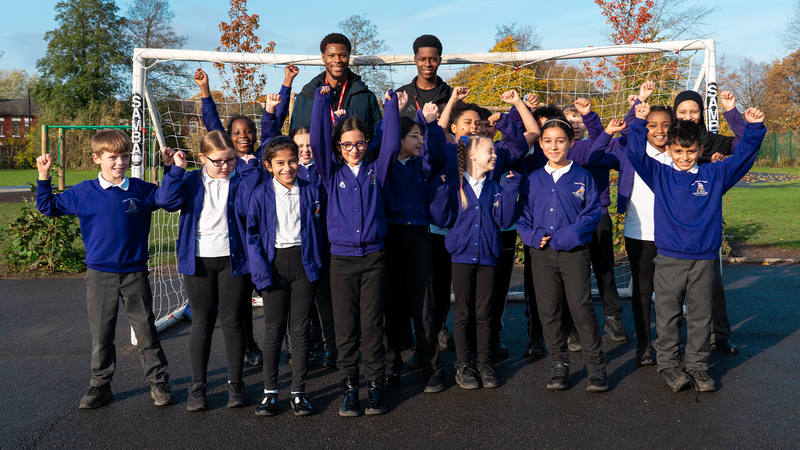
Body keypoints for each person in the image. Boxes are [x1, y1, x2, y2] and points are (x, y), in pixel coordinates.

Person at [626, 102, 765, 392]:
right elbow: (634, 154)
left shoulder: (714, 176)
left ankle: (698, 368)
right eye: (678, 151)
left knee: (701, 317)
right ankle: (668, 365)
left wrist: (752, 129)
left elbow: (743, 157)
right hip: (668, 260)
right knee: (668, 316)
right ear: (669, 150)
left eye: (691, 152)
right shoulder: (659, 175)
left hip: (703, 261)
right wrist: (639, 123)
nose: (685, 157)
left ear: (700, 149)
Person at [36, 129, 174, 409]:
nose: (120, 163)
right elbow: (47, 206)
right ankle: (100, 385)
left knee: (146, 330)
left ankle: (158, 381)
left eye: (125, 156)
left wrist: (170, 169)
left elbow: (169, 200)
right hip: (100, 275)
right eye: (113, 157)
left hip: (135, 273)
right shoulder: (84, 192)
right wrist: (44, 176)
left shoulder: (140, 189)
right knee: (102, 334)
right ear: (97, 158)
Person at [311, 85, 401, 416]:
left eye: (360, 143)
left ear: (367, 143)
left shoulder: (377, 172)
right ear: (339, 146)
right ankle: (351, 386)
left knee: (371, 326)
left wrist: (390, 109)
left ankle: (375, 385)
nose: (354, 149)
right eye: (347, 144)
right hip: (342, 261)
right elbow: (319, 141)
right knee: (346, 328)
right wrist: (321, 102)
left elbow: (390, 144)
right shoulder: (331, 173)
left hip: (374, 259)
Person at [156, 131, 257, 411]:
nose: (225, 167)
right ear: (201, 158)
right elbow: (166, 201)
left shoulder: (240, 179)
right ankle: (197, 387)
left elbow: (252, 210)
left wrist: (246, 172)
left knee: (233, 321)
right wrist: (175, 171)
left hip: (234, 260)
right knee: (201, 322)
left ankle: (236, 385)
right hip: (198, 261)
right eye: (218, 162)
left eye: (231, 161)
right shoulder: (189, 179)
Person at [516, 118, 609, 392]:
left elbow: (592, 213)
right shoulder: (533, 179)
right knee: (549, 311)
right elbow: (522, 215)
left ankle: (596, 368)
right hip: (542, 254)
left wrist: (566, 236)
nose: (553, 146)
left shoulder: (583, 177)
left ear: (570, 143)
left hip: (574, 253)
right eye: (547, 141)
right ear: (541, 144)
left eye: (560, 141)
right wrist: (533, 237)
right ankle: (559, 365)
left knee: (581, 309)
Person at [587, 89, 673, 365]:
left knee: (671, 291)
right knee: (642, 289)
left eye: (665, 125)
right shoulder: (629, 152)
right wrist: (610, 132)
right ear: (643, 128)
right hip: (639, 232)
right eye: (652, 125)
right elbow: (595, 158)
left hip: (673, 235)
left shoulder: (680, 154)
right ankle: (644, 345)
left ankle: (671, 344)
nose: (659, 131)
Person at [429, 135, 521, 390]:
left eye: (495, 152)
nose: (494, 156)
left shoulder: (495, 188)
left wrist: (512, 189)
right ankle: (463, 363)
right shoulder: (456, 187)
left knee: (485, 314)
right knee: (463, 313)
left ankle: (483, 362)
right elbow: (442, 219)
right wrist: (438, 191)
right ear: (472, 156)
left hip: (489, 258)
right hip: (461, 258)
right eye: (490, 151)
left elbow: (504, 221)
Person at [244, 136, 323, 417]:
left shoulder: (312, 191)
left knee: (300, 331)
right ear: (268, 165)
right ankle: (269, 391)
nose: (287, 167)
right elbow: (252, 236)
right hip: (274, 267)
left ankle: (299, 391)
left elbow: (320, 230)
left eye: (292, 161)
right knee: (274, 331)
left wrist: (317, 263)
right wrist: (261, 272)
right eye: (280, 163)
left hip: (304, 265)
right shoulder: (261, 194)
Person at [672, 89, 748, 355]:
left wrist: (730, 111)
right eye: (682, 111)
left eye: (694, 111)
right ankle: (667, 342)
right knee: (670, 289)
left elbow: (742, 143)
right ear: (675, 113)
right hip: (673, 219)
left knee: (711, 283)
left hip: (703, 220)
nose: (688, 116)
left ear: (702, 113)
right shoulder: (670, 139)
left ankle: (720, 336)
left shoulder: (711, 140)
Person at [382, 101, 448, 393]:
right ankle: (391, 367)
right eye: (414, 136)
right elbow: (384, 131)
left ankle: (431, 367)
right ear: (399, 139)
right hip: (391, 237)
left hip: (420, 236)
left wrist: (431, 124)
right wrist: (393, 109)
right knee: (390, 306)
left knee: (425, 306)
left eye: (421, 136)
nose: (419, 140)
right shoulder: (382, 165)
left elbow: (435, 149)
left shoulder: (425, 163)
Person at [290, 33, 383, 135]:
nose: (337, 60)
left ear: (348, 57)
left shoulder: (366, 96)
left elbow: (376, 137)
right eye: (331, 55)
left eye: (342, 55)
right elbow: (295, 138)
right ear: (323, 57)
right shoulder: (305, 96)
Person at [395, 34, 453, 120]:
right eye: (422, 59)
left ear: (439, 61)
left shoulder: (451, 96)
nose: (427, 64)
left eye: (433, 59)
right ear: (415, 60)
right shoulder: (401, 95)